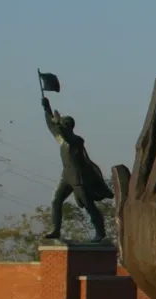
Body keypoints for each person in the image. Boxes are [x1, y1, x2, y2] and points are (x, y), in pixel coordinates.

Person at [41, 94, 111, 242]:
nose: (62, 127)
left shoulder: (76, 141)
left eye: (65, 124)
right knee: (56, 201)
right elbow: (51, 127)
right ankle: (55, 230)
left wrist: (57, 122)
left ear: (70, 126)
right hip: (66, 177)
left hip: (79, 179)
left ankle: (100, 232)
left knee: (88, 205)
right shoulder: (61, 140)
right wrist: (47, 108)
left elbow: (65, 134)